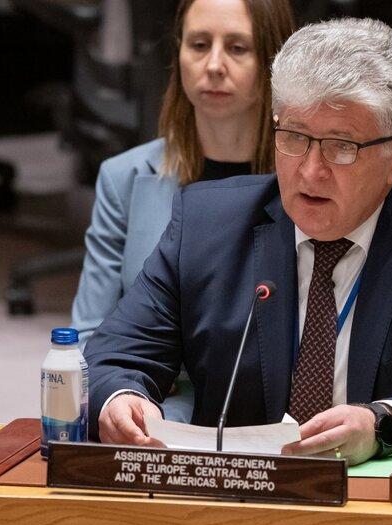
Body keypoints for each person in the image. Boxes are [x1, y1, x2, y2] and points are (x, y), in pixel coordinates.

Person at [85, 18, 392, 465]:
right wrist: (122, 400)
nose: (310, 171)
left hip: (387, 496)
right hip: (239, 491)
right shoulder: (207, 225)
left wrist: (383, 424)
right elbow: (117, 353)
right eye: (295, 137)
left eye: (341, 146)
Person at [70, 0, 295, 422]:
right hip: (158, 405)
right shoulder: (124, 177)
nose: (214, 65)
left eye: (237, 48)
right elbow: (87, 337)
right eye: (199, 45)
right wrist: (124, 384)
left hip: (274, 407)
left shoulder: (306, 180)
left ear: (274, 61)